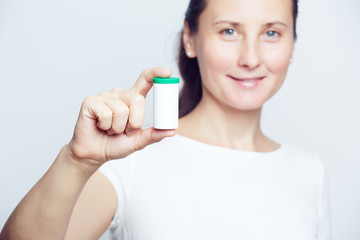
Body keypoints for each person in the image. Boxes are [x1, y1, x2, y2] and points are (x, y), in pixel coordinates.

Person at [0, 0, 332, 239]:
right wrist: (76, 161)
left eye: (272, 33)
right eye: (229, 31)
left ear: (292, 43)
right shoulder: (130, 158)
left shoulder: (309, 171)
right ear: (190, 38)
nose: (250, 58)